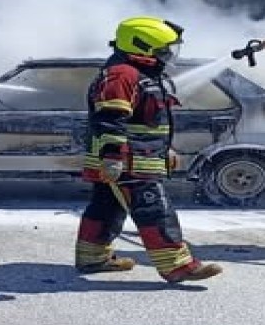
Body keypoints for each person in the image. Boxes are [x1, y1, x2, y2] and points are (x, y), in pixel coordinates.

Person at [75, 16, 223, 283]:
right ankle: (178, 266)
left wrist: (167, 149)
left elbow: (150, 120)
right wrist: (112, 156)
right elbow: (110, 117)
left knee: (106, 208)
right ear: (141, 47)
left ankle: (92, 258)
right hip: (127, 160)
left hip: (137, 157)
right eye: (163, 49)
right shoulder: (123, 74)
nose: (168, 55)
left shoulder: (139, 73)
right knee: (155, 210)